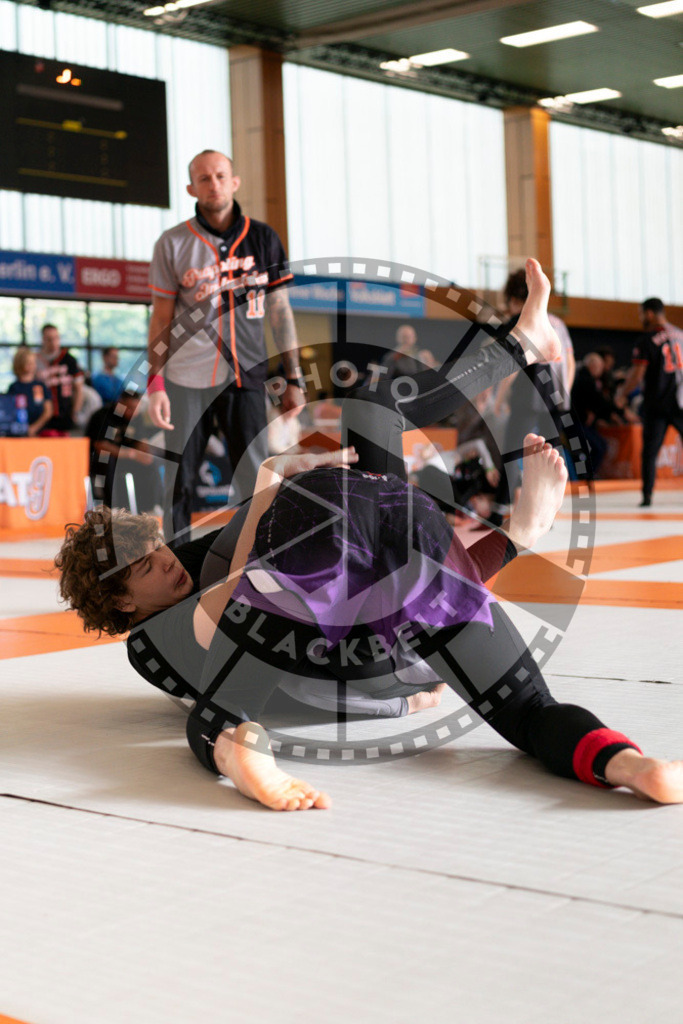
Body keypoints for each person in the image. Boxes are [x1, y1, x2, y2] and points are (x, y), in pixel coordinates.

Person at [56, 260, 683, 812]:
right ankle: (238, 753)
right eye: (144, 569)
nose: (165, 562)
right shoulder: (151, 641)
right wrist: (391, 701)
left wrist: (284, 491)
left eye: (154, 547)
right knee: (230, 674)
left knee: (371, 410)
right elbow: (292, 684)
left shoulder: (185, 563)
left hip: (387, 534)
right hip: (329, 598)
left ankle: (631, 765)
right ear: (120, 603)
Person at [146, 149, 305, 546]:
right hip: (186, 380)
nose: (213, 184)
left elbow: (280, 311)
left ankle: (257, 561)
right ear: (191, 188)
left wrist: (294, 376)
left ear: (234, 181)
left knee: (254, 479)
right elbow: (160, 319)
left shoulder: (264, 238)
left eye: (220, 176)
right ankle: (177, 566)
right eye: (203, 178)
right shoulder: (172, 243)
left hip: (247, 376)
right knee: (180, 483)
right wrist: (156, 385)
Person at [490, 269, 575, 523]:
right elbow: (570, 361)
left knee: (513, 448)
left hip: (530, 390)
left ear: (517, 299)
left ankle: (499, 508)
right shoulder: (558, 322)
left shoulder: (525, 320)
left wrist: (499, 398)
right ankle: (548, 510)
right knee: (552, 452)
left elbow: (512, 366)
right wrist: (565, 393)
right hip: (554, 393)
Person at [619, 298, 683, 507]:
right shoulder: (680, 335)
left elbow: (638, 375)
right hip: (680, 400)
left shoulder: (647, 340)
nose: (639, 318)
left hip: (657, 403)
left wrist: (622, 393)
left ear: (649, 313)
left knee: (650, 452)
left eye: (640, 313)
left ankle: (647, 497)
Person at [86, 391, 162, 513]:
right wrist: (131, 454)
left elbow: (140, 443)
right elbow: (101, 445)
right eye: (130, 408)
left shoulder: (136, 417)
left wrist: (146, 450)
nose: (133, 412)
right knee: (107, 460)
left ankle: (151, 506)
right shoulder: (103, 416)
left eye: (136, 408)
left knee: (151, 462)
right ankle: (112, 507)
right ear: (120, 404)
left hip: (125, 460)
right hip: (98, 461)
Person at [35, 324, 84, 435]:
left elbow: (78, 389)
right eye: (49, 339)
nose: (53, 342)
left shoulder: (69, 360)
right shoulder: (34, 361)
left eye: (56, 338)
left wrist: (75, 412)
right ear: (43, 339)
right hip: (42, 417)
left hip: (65, 415)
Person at [6, 347, 53, 436]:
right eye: (28, 363)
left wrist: (34, 428)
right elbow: (10, 412)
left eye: (33, 362)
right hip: (19, 433)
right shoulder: (14, 388)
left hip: (40, 432)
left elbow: (48, 411)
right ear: (20, 364)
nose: (32, 365)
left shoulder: (40, 386)